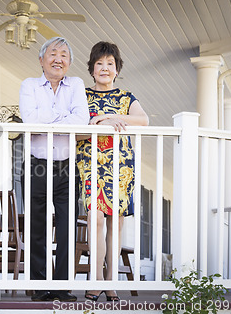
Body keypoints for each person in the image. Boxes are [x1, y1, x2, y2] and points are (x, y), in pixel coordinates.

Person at [76, 41, 148, 301]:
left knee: (115, 223)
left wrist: (105, 117)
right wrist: (100, 120)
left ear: (117, 69)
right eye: (99, 63)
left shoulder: (126, 97)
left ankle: (110, 282)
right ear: (91, 69)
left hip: (120, 165)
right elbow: (75, 127)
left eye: (110, 63)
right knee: (94, 219)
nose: (105, 68)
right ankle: (95, 278)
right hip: (91, 162)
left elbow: (143, 120)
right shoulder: (81, 96)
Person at [19, 36, 90, 302]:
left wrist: (48, 116)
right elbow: (30, 120)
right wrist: (64, 117)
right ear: (41, 60)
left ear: (69, 63)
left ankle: (61, 288)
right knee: (37, 227)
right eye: (52, 54)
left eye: (64, 55)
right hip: (37, 165)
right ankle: (40, 287)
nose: (58, 59)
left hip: (66, 167)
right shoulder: (29, 85)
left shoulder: (77, 85)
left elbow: (81, 121)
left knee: (66, 228)